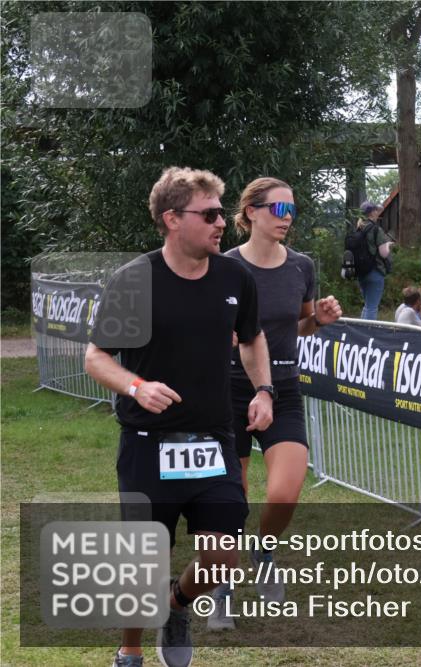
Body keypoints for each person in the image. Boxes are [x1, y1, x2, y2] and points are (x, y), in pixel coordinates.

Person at [85, 167, 274, 667]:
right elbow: (96, 357)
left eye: (220, 212)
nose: (221, 223)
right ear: (172, 219)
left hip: (213, 439)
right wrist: (136, 386)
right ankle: (129, 650)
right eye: (209, 214)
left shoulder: (236, 277)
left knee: (222, 558)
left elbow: (253, 338)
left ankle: (175, 606)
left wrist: (264, 391)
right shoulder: (135, 281)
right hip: (149, 442)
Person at [216, 177, 342, 620]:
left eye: (292, 211)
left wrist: (320, 320)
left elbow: (300, 325)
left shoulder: (301, 267)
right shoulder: (224, 266)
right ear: (251, 211)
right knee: (231, 498)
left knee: (285, 493)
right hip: (228, 388)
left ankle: (263, 553)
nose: (287, 220)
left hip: (285, 387)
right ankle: (221, 580)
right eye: (278, 210)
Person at [355, 200, 392, 320]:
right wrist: (388, 245)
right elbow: (384, 253)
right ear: (371, 213)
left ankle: (361, 332)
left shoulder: (359, 228)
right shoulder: (376, 229)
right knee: (372, 307)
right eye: (376, 210)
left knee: (367, 305)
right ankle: (367, 335)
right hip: (375, 271)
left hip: (360, 272)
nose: (378, 212)